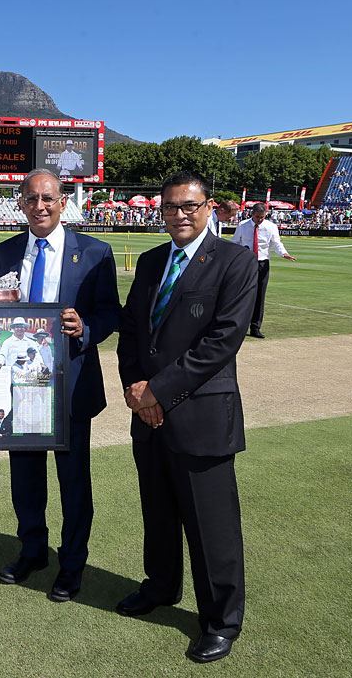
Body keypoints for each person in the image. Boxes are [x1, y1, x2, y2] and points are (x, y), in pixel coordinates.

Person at [116, 171, 257, 664]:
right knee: (157, 512)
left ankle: (220, 620)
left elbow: (221, 341)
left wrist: (157, 390)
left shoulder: (235, 262)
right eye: (170, 207)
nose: (179, 214)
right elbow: (132, 330)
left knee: (210, 526)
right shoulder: (154, 261)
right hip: (148, 413)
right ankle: (160, 587)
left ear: (209, 207)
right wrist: (137, 389)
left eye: (188, 206)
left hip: (200, 416)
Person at [0, 168, 120, 602]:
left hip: (70, 384)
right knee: (24, 477)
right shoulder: (5, 251)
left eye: (48, 198)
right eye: (31, 198)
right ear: (20, 202)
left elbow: (110, 314)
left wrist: (84, 328)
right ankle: (32, 551)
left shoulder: (96, 252)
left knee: (73, 481)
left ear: (63, 202)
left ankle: (72, 563)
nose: (40, 206)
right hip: (19, 383)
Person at [231, 202, 296, 338]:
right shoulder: (242, 225)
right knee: (244, 294)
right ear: (252, 214)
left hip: (262, 263)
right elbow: (236, 242)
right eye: (257, 217)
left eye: (262, 217)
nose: (259, 220)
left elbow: (276, 243)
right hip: (246, 263)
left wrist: (284, 253)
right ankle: (240, 326)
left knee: (260, 296)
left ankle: (255, 327)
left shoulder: (271, 227)